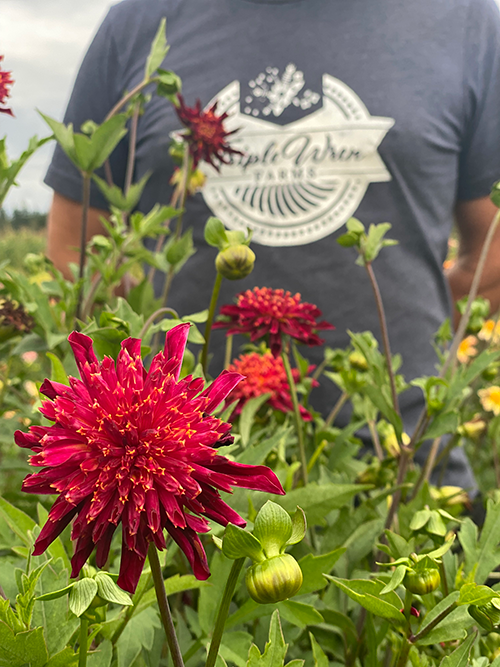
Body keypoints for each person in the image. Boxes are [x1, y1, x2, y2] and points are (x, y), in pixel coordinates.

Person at [44, 0, 500, 490]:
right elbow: (75, 250)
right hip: (163, 474)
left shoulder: (467, 21)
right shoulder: (135, 25)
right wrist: (138, 370)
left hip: (404, 473)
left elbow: (493, 252)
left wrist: (425, 339)